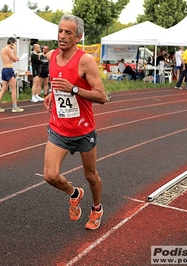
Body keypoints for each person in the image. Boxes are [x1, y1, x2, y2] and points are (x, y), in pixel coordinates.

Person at [43, 14, 107, 230]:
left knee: (90, 175)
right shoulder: (52, 56)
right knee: (50, 175)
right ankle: (74, 193)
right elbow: (56, 83)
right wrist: (53, 95)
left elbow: (102, 96)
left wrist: (74, 89)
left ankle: (96, 208)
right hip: (59, 128)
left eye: (68, 32)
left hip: (83, 131)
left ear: (78, 37)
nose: (62, 36)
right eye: (60, 31)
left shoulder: (85, 61)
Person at [0, 37, 24, 113]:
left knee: (4, 88)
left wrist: (15, 59)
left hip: (4, 69)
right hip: (9, 70)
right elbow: (14, 59)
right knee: (14, 88)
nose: (15, 45)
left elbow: (10, 60)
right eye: (14, 44)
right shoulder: (8, 49)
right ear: (11, 43)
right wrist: (15, 50)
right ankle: (14, 106)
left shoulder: (3, 50)